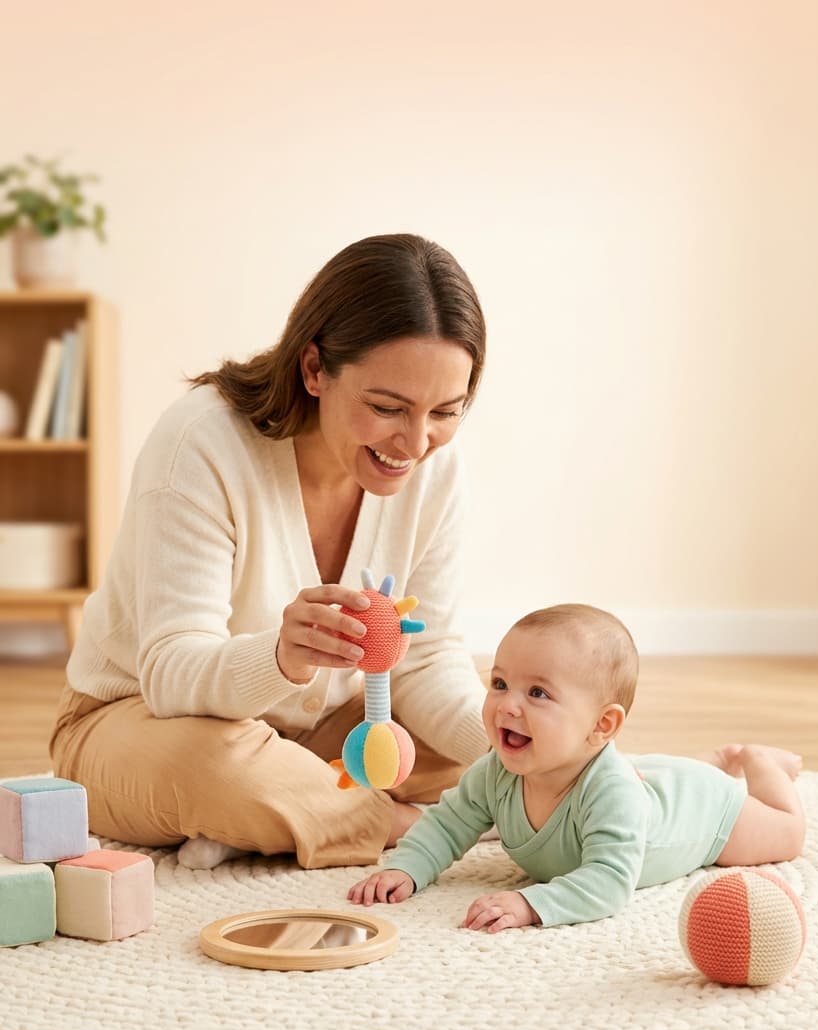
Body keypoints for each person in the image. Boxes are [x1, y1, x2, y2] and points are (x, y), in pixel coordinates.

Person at [50, 233, 491, 870]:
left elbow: (424, 659)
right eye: (387, 407)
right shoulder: (202, 443)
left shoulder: (437, 472)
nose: (417, 442)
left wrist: (525, 754)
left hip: (332, 734)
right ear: (314, 369)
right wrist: (281, 656)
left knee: (498, 745)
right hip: (144, 720)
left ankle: (278, 816)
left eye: (446, 411)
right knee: (219, 770)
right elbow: (171, 671)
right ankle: (411, 825)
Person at [348, 603, 806, 931]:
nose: (508, 704)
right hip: (644, 776)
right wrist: (408, 867)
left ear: (601, 725)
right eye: (501, 683)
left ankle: (761, 763)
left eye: (538, 693)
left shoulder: (612, 793)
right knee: (654, 775)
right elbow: (448, 824)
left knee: (786, 834)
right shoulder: (496, 772)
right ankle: (710, 761)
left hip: (707, 811)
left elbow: (609, 882)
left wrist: (531, 903)